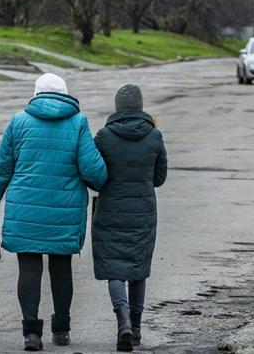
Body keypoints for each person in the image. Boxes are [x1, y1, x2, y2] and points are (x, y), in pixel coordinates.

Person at [0, 73, 108, 351]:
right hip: (65, 211)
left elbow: (1, 169)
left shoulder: (19, 122)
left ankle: (31, 333)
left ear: (36, 94)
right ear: (65, 93)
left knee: (29, 268)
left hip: (26, 210)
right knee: (61, 269)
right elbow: (94, 174)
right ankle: (61, 330)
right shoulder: (78, 123)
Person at [91, 84, 168, 352]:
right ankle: (135, 330)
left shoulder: (103, 136)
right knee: (138, 269)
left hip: (111, 209)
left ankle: (121, 318)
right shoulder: (154, 136)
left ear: (118, 107)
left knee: (115, 268)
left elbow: (94, 175)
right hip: (143, 213)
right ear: (140, 106)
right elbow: (159, 179)